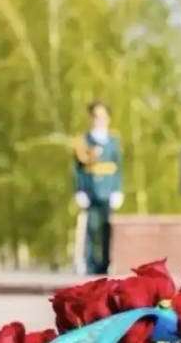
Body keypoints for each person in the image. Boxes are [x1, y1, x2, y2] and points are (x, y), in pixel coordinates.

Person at [73, 101, 125, 275]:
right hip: (91, 190)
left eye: (102, 116)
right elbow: (78, 169)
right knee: (92, 228)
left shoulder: (113, 141)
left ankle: (105, 263)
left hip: (108, 191)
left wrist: (118, 190)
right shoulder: (84, 141)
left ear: (108, 119)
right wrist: (79, 190)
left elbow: (118, 167)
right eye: (96, 116)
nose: (99, 120)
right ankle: (91, 264)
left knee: (107, 229)